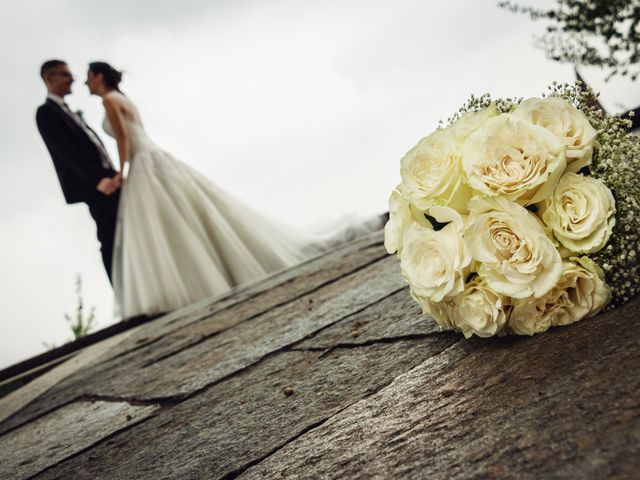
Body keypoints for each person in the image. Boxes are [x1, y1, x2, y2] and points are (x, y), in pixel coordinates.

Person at [85, 61, 382, 319]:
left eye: (88, 75)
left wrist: (121, 174)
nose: (85, 82)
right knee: (182, 216)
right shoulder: (123, 98)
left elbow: (123, 138)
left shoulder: (109, 101)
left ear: (99, 76)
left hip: (143, 162)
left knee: (167, 222)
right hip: (151, 158)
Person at [36, 60, 122, 282]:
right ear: (49, 78)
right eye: (65, 75)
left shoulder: (69, 111)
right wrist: (97, 181)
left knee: (123, 234)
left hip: (110, 180)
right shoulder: (46, 112)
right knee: (109, 237)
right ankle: (125, 297)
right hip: (96, 186)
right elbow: (65, 151)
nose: (72, 79)